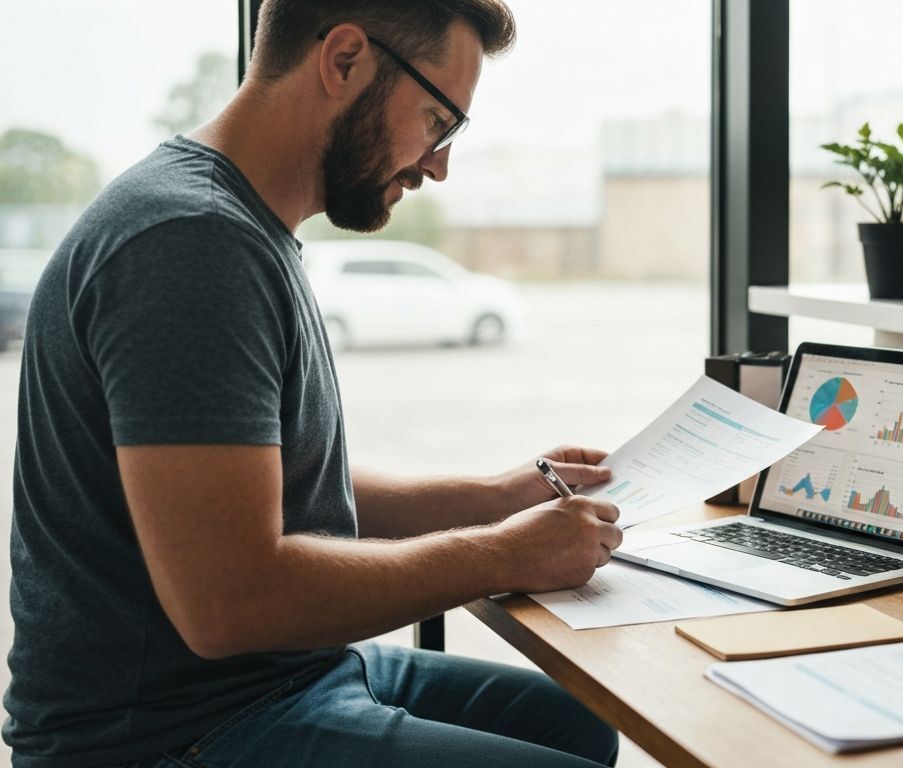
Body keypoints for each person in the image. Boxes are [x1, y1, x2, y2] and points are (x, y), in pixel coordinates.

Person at [3, 1, 626, 766]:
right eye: (438, 121)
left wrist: (497, 498)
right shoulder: (191, 242)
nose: (438, 165)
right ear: (343, 60)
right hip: (168, 734)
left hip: (278, 680)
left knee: (577, 726)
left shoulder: (240, 226)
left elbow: (271, 490)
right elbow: (230, 601)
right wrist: (502, 554)